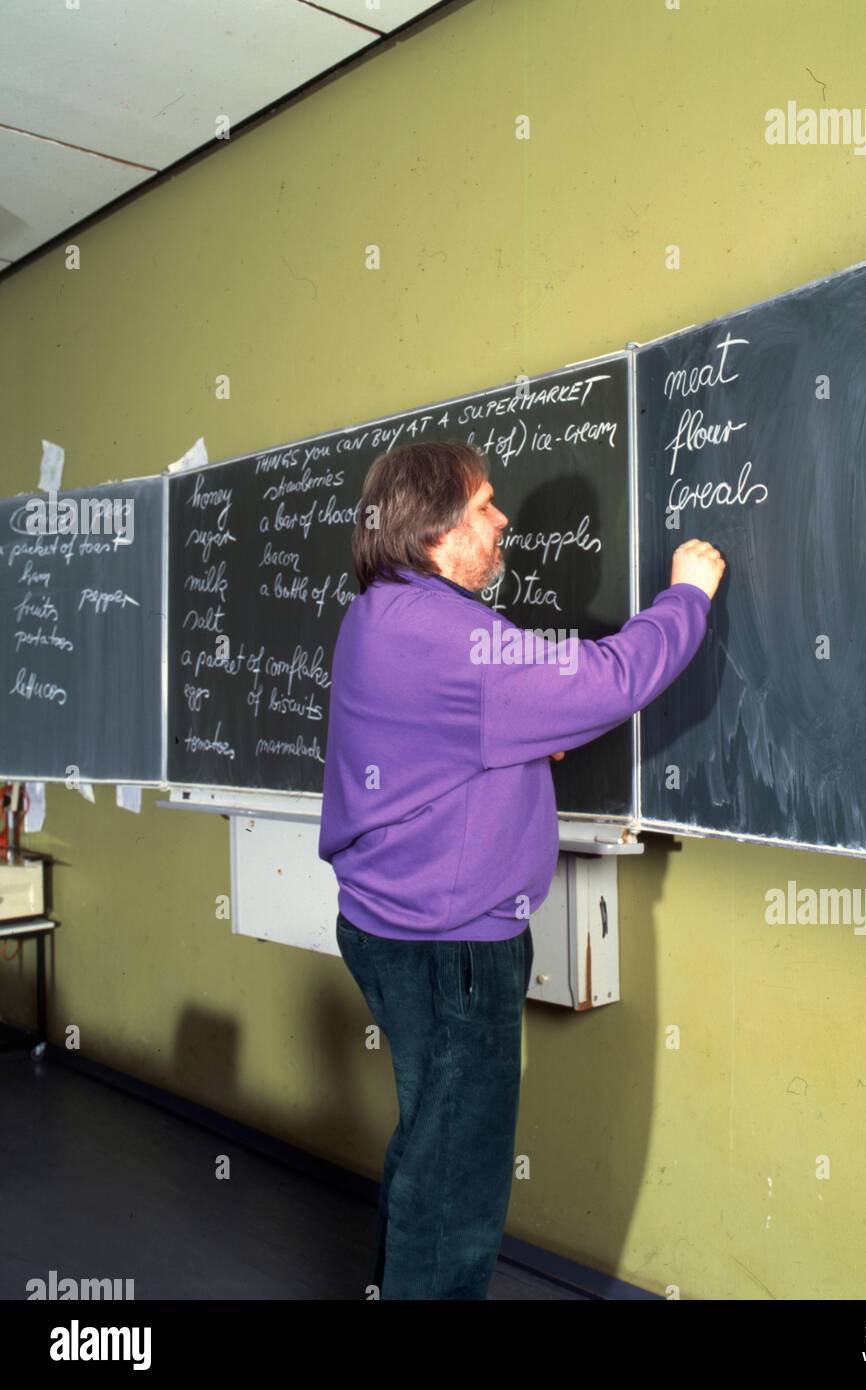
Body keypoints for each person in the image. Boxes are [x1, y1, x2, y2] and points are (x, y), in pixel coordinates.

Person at [319, 440, 724, 1300]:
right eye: (484, 507)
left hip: (389, 925)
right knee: (460, 1181)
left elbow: (474, 722)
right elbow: (608, 678)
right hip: (448, 949)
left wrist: (537, 717)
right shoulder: (449, 635)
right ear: (433, 530)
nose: (503, 520)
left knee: (428, 1138)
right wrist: (686, 596)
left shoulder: (380, 612)